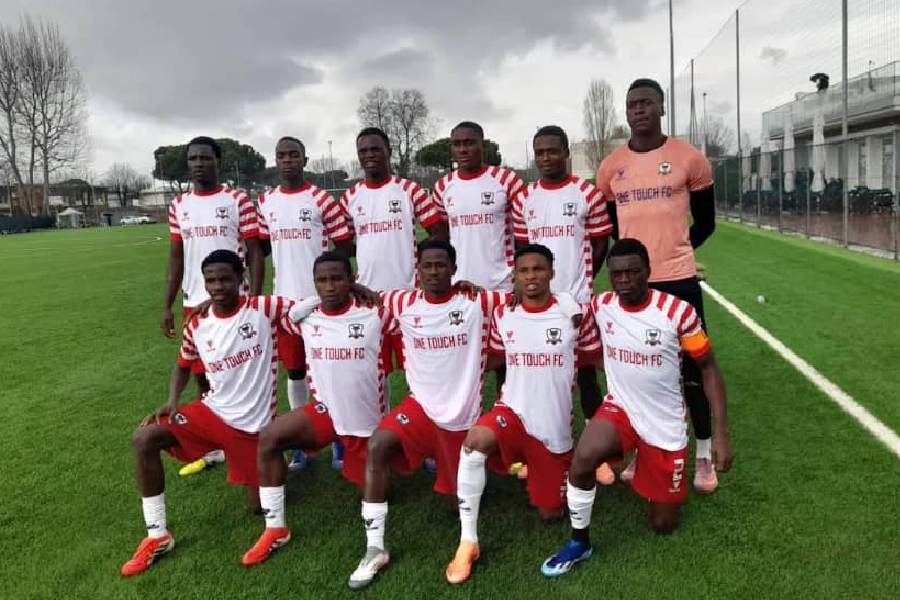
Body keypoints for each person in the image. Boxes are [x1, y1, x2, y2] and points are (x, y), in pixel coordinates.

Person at [540, 239, 733, 578]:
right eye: (617, 274)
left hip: (664, 423)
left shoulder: (678, 312)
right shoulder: (602, 305)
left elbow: (708, 369)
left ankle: (647, 460)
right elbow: (560, 305)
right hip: (621, 408)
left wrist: (721, 434)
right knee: (583, 460)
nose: (625, 280)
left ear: (648, 271)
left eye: (633, 272)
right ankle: (579, 542)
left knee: (663, 525)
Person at [347, 238, 508, 590]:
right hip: (419, 407)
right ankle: (375, 548)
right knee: (378, 444)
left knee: (455, 505)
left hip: (461, 417)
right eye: (427, 265)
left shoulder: (477, 302)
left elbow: (527, 295)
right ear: (417, 269)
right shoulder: (401, 302)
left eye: (441, 265)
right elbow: (352, 292)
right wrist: (356, 285)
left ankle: (468, 512)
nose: (433, 272)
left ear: (454, 269)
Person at [122, 250, 293, 576]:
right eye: (211, 280)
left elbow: (313, 304)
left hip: (253, 427)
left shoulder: (263, 308)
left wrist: (355, 288)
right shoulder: (197, 323)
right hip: (212, 414)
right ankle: (157, 535)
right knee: (145, 438)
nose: (217, 286)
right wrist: (173, 401)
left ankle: (272, 460)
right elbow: (183, 364)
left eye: (225, 279)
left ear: (241, 279)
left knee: (257, 508)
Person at [444, 244, 602, 584]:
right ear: (514, 277)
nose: (531, 276)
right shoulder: (503, 312)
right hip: (513, 412)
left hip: (553, 430)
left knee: (550, 513)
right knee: (474, 443)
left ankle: (538, 469)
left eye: (538, 269)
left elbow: (595, 356)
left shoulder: (574, 314)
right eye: (524, 271)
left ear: (552, 273)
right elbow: (492, 353)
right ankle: (468, 541)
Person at [595, 78, 720, 492]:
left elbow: (706, 222)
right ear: (626, 111)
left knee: (692, 369)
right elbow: (614, 230)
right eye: (632, 104)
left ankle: (703, 454)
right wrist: (636, 266)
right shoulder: (611, 167)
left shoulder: (689, 158)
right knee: (635, 371)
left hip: (679, 281)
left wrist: (677, 250)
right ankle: (640, 447)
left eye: (647, 102)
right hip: (632, 290)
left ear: (661, 108)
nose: (639, 109)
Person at [241, 252, 393, 566]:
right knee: (270, 437)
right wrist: (309, 303)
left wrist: (364, 291)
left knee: (381, 492)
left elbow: (414, 311)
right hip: (325, 413)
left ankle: (380, 465)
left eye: (337, 279)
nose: (329, 286)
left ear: (351, 280)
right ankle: (275, 528)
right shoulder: (305, 318)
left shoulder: (376, 313)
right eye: (322, 280)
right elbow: (259, 309)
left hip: (364, 423)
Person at [511, 124, 615, 484]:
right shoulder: (525, 198)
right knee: (539, 379)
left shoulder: (588, 193)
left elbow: (600, 243)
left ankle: (596, 454)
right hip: (537, 307)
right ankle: (537, 450)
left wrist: (582, 283)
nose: (545, 158)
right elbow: (524, 250)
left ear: (566, 152)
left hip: (577, 303)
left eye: (552, 151)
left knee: (586, 377)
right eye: (539, 152)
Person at [162, 136, 264, 476]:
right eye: (192, 159)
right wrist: (167, 304)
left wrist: (254, 299)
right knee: (202, 375)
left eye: (205, 158)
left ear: (217, 162)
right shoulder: (179, 204)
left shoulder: (237, 200)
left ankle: (248, 437)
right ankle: (216, 446)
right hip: (194, 302)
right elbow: (176, 257)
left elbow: (255, 251)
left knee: (239, 373)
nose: (198, 164)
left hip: (234, 302)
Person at [257, 136, 353, 472]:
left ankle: (339, 439)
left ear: (304, 159)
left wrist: (330, 287)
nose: (287, 160)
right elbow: (259, 248)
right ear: (276, 160)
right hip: (286, 305)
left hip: (321, 304)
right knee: (295, 371)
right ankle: (301, 445)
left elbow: (343, 245)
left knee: (329, 373)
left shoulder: (322, 199)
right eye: (281, 155)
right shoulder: (266, 201)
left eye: (293, 155)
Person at [341, 127, 448, 385]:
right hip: (368, 295)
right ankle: (381, 411)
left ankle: (423, 408)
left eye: (375, 149)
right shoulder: (350, 198)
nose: (369, 155)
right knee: (374, 369)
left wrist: (419, 258)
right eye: (363, 151)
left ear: (388, 152)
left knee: (419, 364)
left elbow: (439, 233)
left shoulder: (409, 190)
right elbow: (345, 245)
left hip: (409, 293)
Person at [432, 121, 524, 291]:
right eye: (457, 144)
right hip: (460, 285)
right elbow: (444, 235)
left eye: (469, 143)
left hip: (503, 285)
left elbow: (524, 235)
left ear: (483, 145)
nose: (463, 149)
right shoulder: (442, 186)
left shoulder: (507, 180)